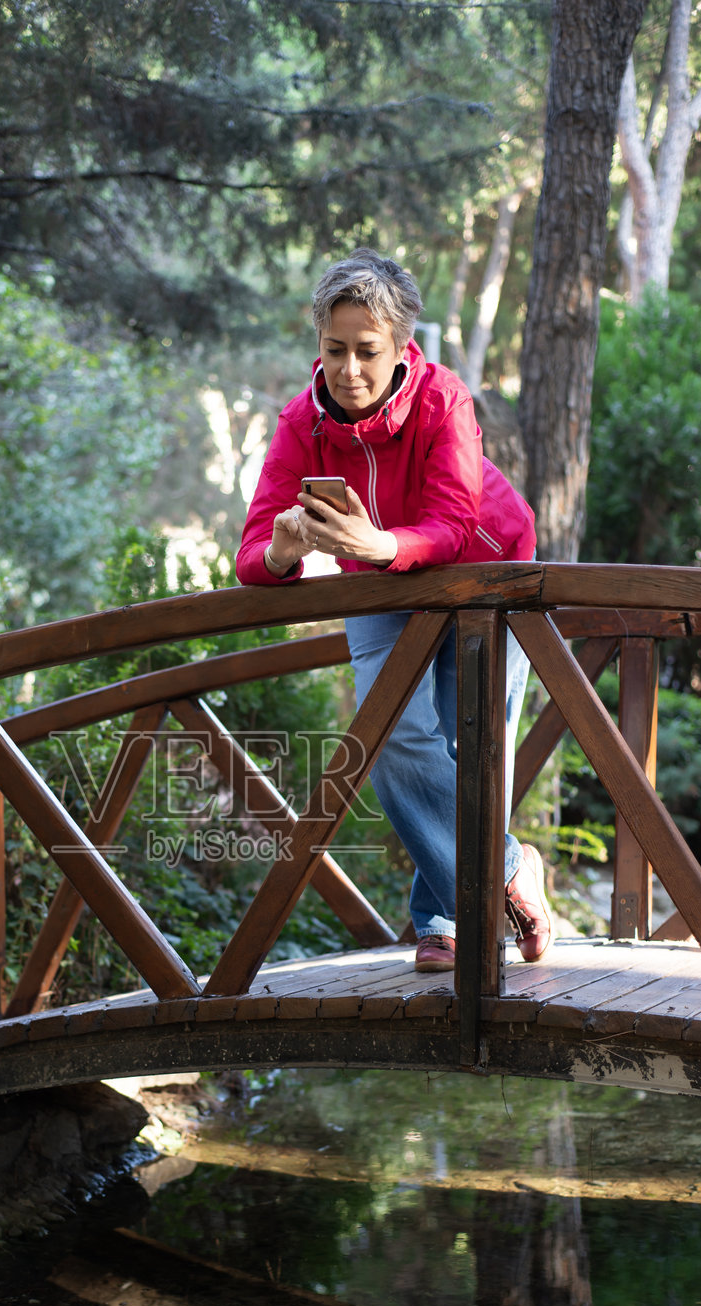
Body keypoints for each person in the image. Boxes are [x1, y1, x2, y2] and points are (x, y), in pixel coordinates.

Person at [236, 247, 553, 973]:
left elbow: (449, 522)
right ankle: (506, 872)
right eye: (334, 349)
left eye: (367, 352)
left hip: (484, 574)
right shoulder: (300, 423)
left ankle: (444, 917)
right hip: (380, 587)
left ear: (402, 345)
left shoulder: (444, 399)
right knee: (389, 740)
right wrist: (285, 551)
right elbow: (252, 553)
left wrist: (379, 543)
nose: (349, 370)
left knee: (472, 749)